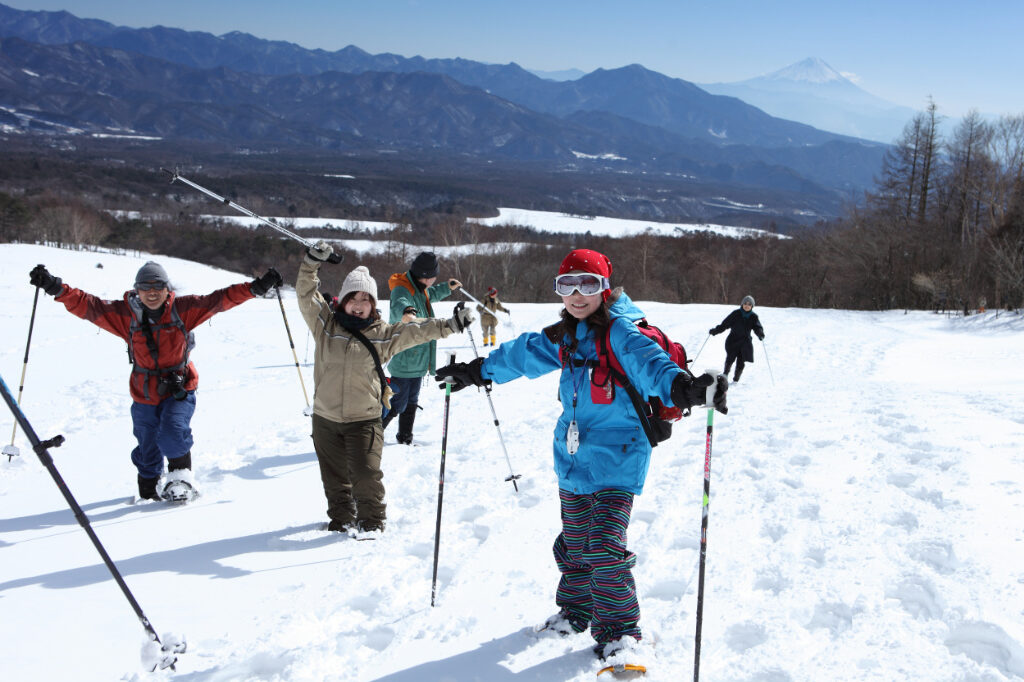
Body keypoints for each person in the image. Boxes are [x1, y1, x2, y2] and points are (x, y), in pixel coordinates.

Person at [433, 248, 727, 667]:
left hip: (619, 458)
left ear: (604, 288)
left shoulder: (622, 333)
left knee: (604, 545)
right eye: (566, 285)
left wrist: (686, 389)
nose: (576, 294)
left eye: (587, 284)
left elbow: (654, 368)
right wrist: (476, 372)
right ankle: (576, 611)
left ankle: (621, 634)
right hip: (572, 459)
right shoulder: (566, 335)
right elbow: (522, 354)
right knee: (574, 545)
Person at [28, 261, 282, 502]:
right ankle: (148, 490)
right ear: (137, 290)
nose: (152, 292)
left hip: (179, 387)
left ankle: (181, 480)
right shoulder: (125, 315)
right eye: (145, 287)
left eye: (158, 286)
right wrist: (55, 287)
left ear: (166, 289)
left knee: (172, 432)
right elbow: (88, 305)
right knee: (147, 445)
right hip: (144, 391)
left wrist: (255, 288)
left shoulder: (183, 310)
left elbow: (219, 300)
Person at [298, 242, 473, 533]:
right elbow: (306, 294)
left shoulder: (382, 335)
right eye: (353, 297)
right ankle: (341, 519)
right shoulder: (325, 326)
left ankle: (372, 522)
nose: (358, 303)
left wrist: (450, 324)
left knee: (366, 474)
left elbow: (416, 330)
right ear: (343, 300)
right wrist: (310, 263)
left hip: (364, 420)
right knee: (334, 476)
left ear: (373, 305)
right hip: (325, 419)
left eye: (365, 299)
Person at [380, 251, 462, 445]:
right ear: (426, 276)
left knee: (412, 400)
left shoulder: (418, 288)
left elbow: (429, 295)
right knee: (396, 403)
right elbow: (400, 303)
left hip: (417, 361)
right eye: (435, 277)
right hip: (405, 359)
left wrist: (446, 288)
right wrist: (406, 311)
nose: (435, 280)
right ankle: (372, 435)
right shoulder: (403, 288)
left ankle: (405, 437)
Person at [709, 294, 765, 383]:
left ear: (752, 306)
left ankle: (736, 379)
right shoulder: (736, 314)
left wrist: (760, 334)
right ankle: (725, 374)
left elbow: (757, 327)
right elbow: (725, 324)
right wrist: (716, 331)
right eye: (745, 303)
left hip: (745, 342)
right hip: (733, 340)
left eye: (749, 304)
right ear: (742, 304)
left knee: (741, 362)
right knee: (730, 358)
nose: (747, 306)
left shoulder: (754, 317)